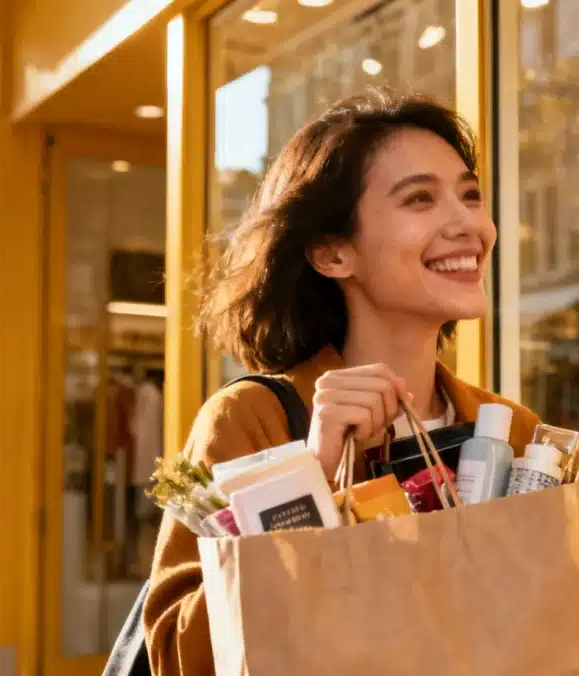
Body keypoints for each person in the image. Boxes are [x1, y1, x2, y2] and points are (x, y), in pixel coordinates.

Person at [142, 90, 541, 674]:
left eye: (471, 195)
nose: (468, 224)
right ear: (332, 254)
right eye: (420, 199)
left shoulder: (511, 431)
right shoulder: (252, 420)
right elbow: (177, 656)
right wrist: (310, 480)